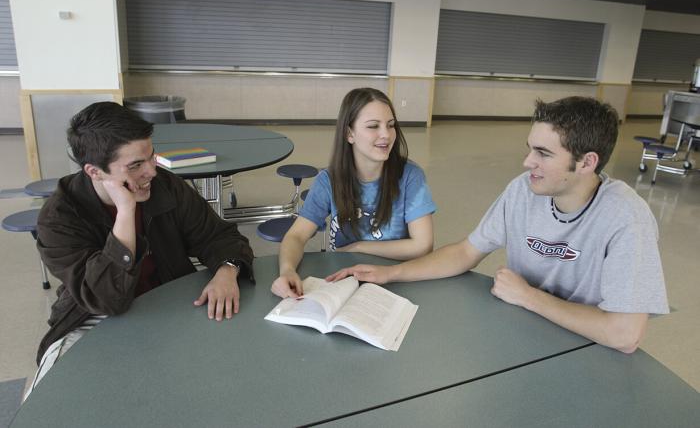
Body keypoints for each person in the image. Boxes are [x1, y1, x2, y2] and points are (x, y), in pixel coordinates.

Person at [328, 96, 669, 354]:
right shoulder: (523, 190)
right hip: (521, 336)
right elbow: (465, 251)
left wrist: (528, 297)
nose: (527, 162)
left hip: (583, 349)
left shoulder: (626, 219)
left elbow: (625, 336)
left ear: (587, 162)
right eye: (529, 149)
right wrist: (391, 273)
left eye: (543, 154)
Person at [28, 102, 254, 397]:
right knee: (54, 398)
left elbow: (218, 236)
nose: (152, 172)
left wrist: (227, 269)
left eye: (151, 157)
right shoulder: (59, 218)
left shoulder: (167, 187)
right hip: (91, 317)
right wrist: (125, 212)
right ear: (95, 172)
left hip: (169, 302)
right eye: (135, 165)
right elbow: (107, 299)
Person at [271, 88, 436, 298]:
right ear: (349, 134)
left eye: (391, 125)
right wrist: (287, 270)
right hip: (342, 281)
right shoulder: (328, 180)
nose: (386, 134)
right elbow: (296, 235)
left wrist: (359, 247)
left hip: (396, 281)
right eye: (373, 126)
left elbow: (422, 245)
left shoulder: (410, 177)